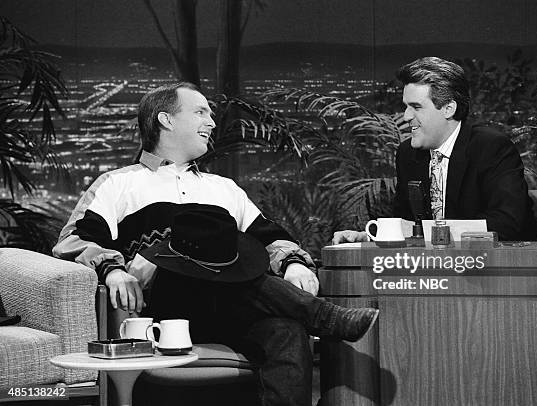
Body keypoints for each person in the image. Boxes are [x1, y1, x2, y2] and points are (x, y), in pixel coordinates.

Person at [53, 82, 378, 406]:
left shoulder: (224, 189)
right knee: (193, 265)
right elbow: (74, 239)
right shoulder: (118, 184)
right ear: (166, 120)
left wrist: (293, 262)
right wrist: (112, 271)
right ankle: (325, 317)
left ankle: (316, 318)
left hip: (232, 308)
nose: (211, 122)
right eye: (200, 112)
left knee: (287, 331)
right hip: (165, 310)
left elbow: (270, 236)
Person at [333, 57, 537, 244]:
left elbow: (507, 224)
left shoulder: (492, 148)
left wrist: (427, 232)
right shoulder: (408, 154)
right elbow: (404, 222)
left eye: (416, 107)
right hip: (432, 272)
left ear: (448, 109)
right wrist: (369, 237)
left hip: (502, 271)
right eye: (406, 106)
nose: (406, 116)